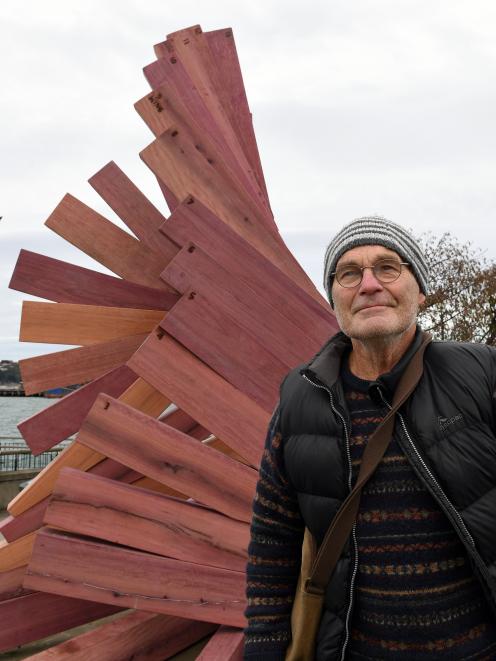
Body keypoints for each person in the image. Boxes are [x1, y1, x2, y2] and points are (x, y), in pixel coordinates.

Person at [244, 216, 496, 660]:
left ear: (418, 291)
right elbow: (273, 538)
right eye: (348, 274)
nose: (368, 285)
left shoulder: (480, 373)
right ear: (334, 300)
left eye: (388, 267)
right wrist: (264, 645)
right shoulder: (300, 399)